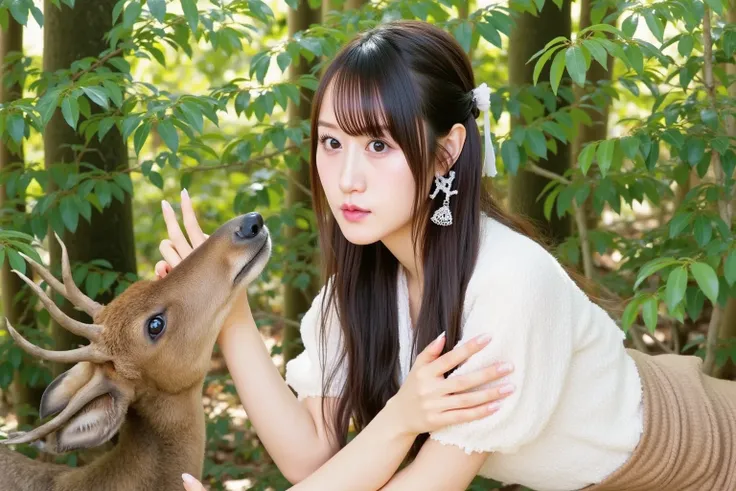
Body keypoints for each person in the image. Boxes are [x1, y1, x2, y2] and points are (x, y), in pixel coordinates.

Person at [160, 20, 736, 491]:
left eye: (379, 145)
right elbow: (312, 458)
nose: (347, 179)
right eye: (332, 142)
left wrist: (404, 417)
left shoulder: (510, 282)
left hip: (713, 461)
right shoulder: (362, 289)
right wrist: (228, 311)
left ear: (446, 153)